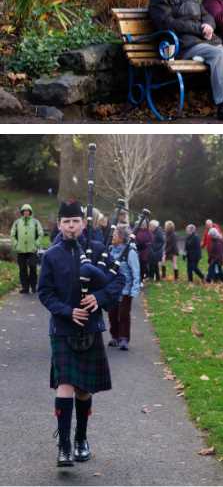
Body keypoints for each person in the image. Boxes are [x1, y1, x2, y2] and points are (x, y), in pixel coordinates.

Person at [38, 200, 125, 466]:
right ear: (59, 224)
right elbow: (45, 292)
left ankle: (80, 439)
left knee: (84, 389)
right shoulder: (52, 255)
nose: (71, 226)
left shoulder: (97, 250)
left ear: (83, 224)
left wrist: (99, 298)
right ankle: (63, 445)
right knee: (65, 383)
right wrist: (66, 310)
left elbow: (118, 280)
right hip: (63, 328)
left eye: (75, 221)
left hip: (90, 327)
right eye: (66, 222)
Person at [108, 225, 141, 351]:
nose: (113, 236)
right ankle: (115, 336)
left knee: (123, 315)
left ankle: (124, 338)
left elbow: (136, 272)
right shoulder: (110, 250)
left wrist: (134, 290)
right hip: (112, 290)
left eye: (115, 234)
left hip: (125, 290)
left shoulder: (130, 252)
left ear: (121, 237)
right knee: (112, 314)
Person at [10, 203, 44, 294]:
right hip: (20, 250)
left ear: (30, 212)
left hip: (32, 250)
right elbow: (12, 234)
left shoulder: (35, 222)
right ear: (22, 212)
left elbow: (41, 233)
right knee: (22, 269)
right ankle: (25, 287)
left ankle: (33, 286)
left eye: (27, 211)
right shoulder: (17, 222)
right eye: (24, 211)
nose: (26, 212)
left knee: (33, 267)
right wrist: (16, 244)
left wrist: (36, 244)